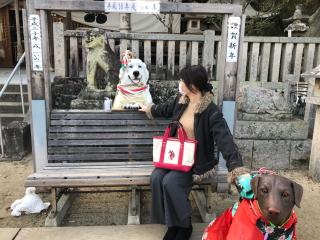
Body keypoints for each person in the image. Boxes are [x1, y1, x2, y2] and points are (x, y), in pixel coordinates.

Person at [139, 65, 248, 240]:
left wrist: (236, 168)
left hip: (196, 162)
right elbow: (164, 109)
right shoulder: (180, 101)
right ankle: (173, 224)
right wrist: (149, 109)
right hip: (175, 157)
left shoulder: (211, 111)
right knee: (157, 178)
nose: (179, 83)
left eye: (182, 80)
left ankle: (184, 225)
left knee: (170, 182)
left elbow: (225, 140)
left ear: (193, 86)